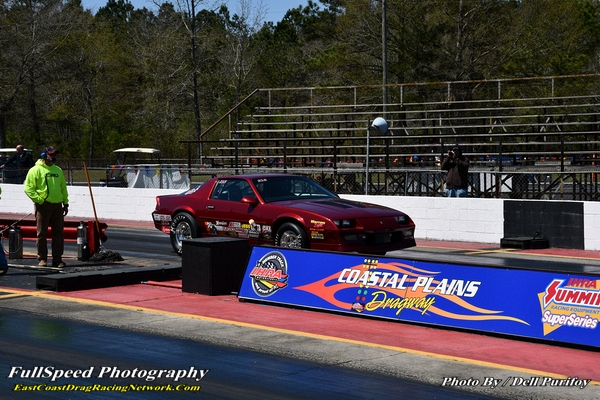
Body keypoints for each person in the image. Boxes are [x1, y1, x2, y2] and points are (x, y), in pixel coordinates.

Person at [24, 146, 69, 268]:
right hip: (43, 206)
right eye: (51, 154)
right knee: (41, 233)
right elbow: (28, 188)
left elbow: (63, 188)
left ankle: (57, 259)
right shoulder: (35, 170)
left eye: (55, 155)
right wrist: (39, 200)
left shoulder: (58, 170)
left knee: (58, 233)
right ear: (44, 155)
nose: (54, 157)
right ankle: (42, 258)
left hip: (57, 205)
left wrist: (65, 203)